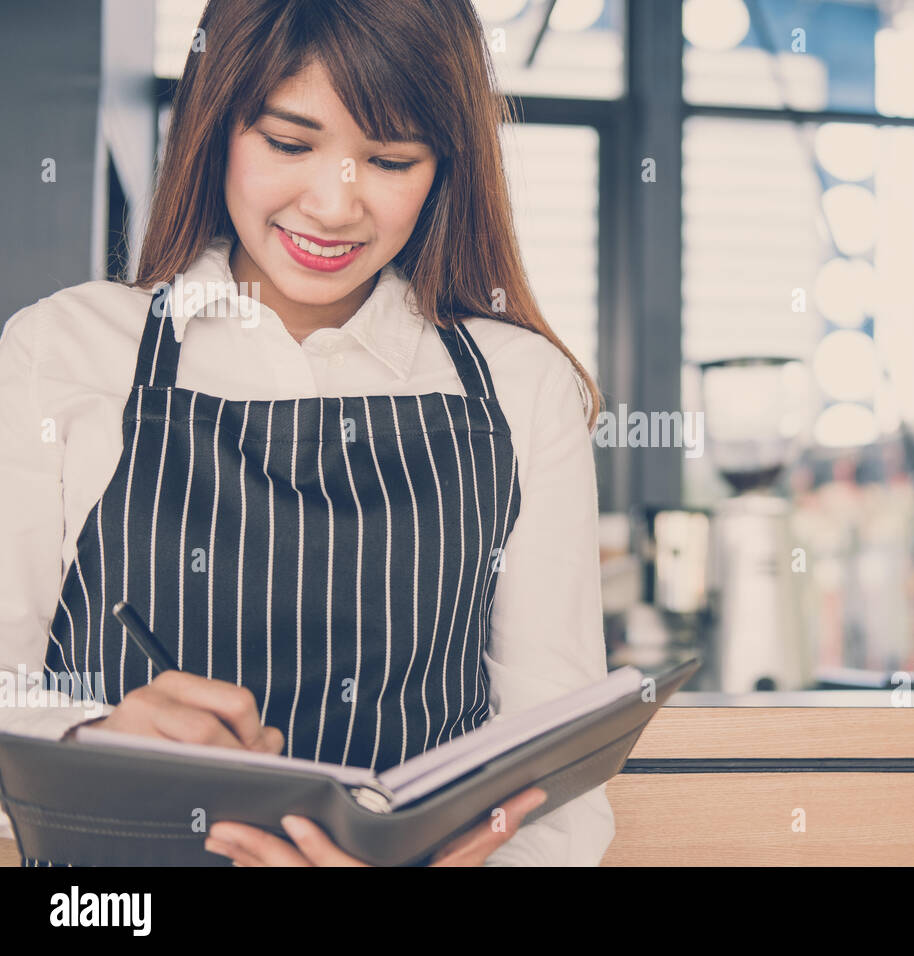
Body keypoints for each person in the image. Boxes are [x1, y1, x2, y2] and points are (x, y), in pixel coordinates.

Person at [0, 0, 614, 866]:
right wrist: (87, 738)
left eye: (391, 159)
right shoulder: (62, 352)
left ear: (447, 168)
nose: (334, 205)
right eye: (290, 144)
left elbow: (559, 781)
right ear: (217, 126)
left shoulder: (523, 390)